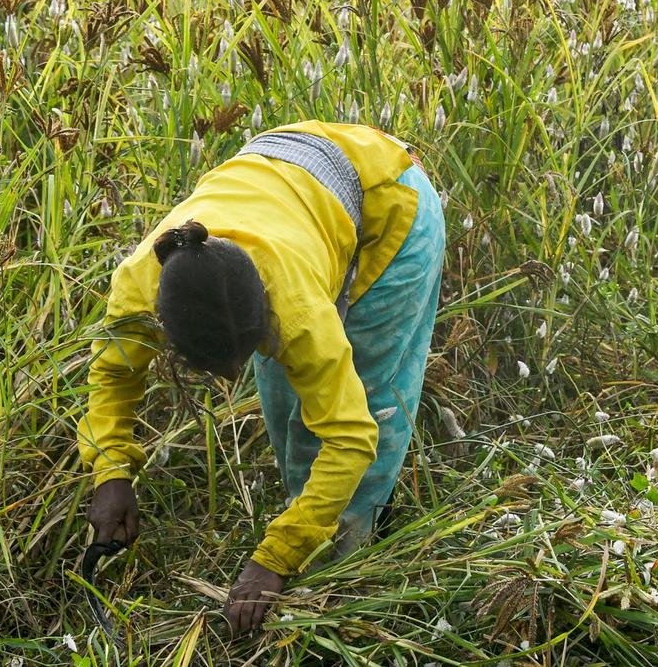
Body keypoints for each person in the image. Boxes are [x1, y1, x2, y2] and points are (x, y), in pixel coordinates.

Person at [76, 120, 444, 634]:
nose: (233, 376)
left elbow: (351, 434)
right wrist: (110, 472)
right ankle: (310, 534)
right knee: (286, 408)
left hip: (391, 202)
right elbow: (112, 378)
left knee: (367, 392)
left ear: (265, 315)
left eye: (246, 352)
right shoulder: (141, 289)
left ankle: (343, 579)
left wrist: (275, 558)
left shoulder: (295, 309)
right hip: (294, 183)